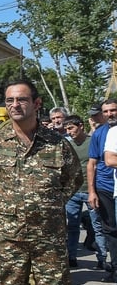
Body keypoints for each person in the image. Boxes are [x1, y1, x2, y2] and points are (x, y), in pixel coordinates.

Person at [0, 80, 82, 285]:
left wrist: (48, 204)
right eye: (10, 100)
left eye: (21, 99)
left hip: (49, 237)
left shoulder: (56, 143)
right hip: (9, 237)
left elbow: (73, 179)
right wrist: (8, 207)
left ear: (36, 103)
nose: (15, 105)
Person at [87, 99, 117, 277]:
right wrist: (92, 192)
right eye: (106, 112)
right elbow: (92, 164)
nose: (109, 114)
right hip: (105, 187)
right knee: (110, 230)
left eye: (113, 110)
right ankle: (114, 269)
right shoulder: (100, 133)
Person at [63, 115, 92, 268]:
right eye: (66, 129)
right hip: (73, 192)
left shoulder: (92, 141)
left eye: (71, 128)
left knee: (97, 226)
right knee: (72, 226)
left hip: (91, 190)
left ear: (80, 126)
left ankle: (102, 259)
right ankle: (72, 256)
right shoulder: (67, 143)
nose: (69, 132)